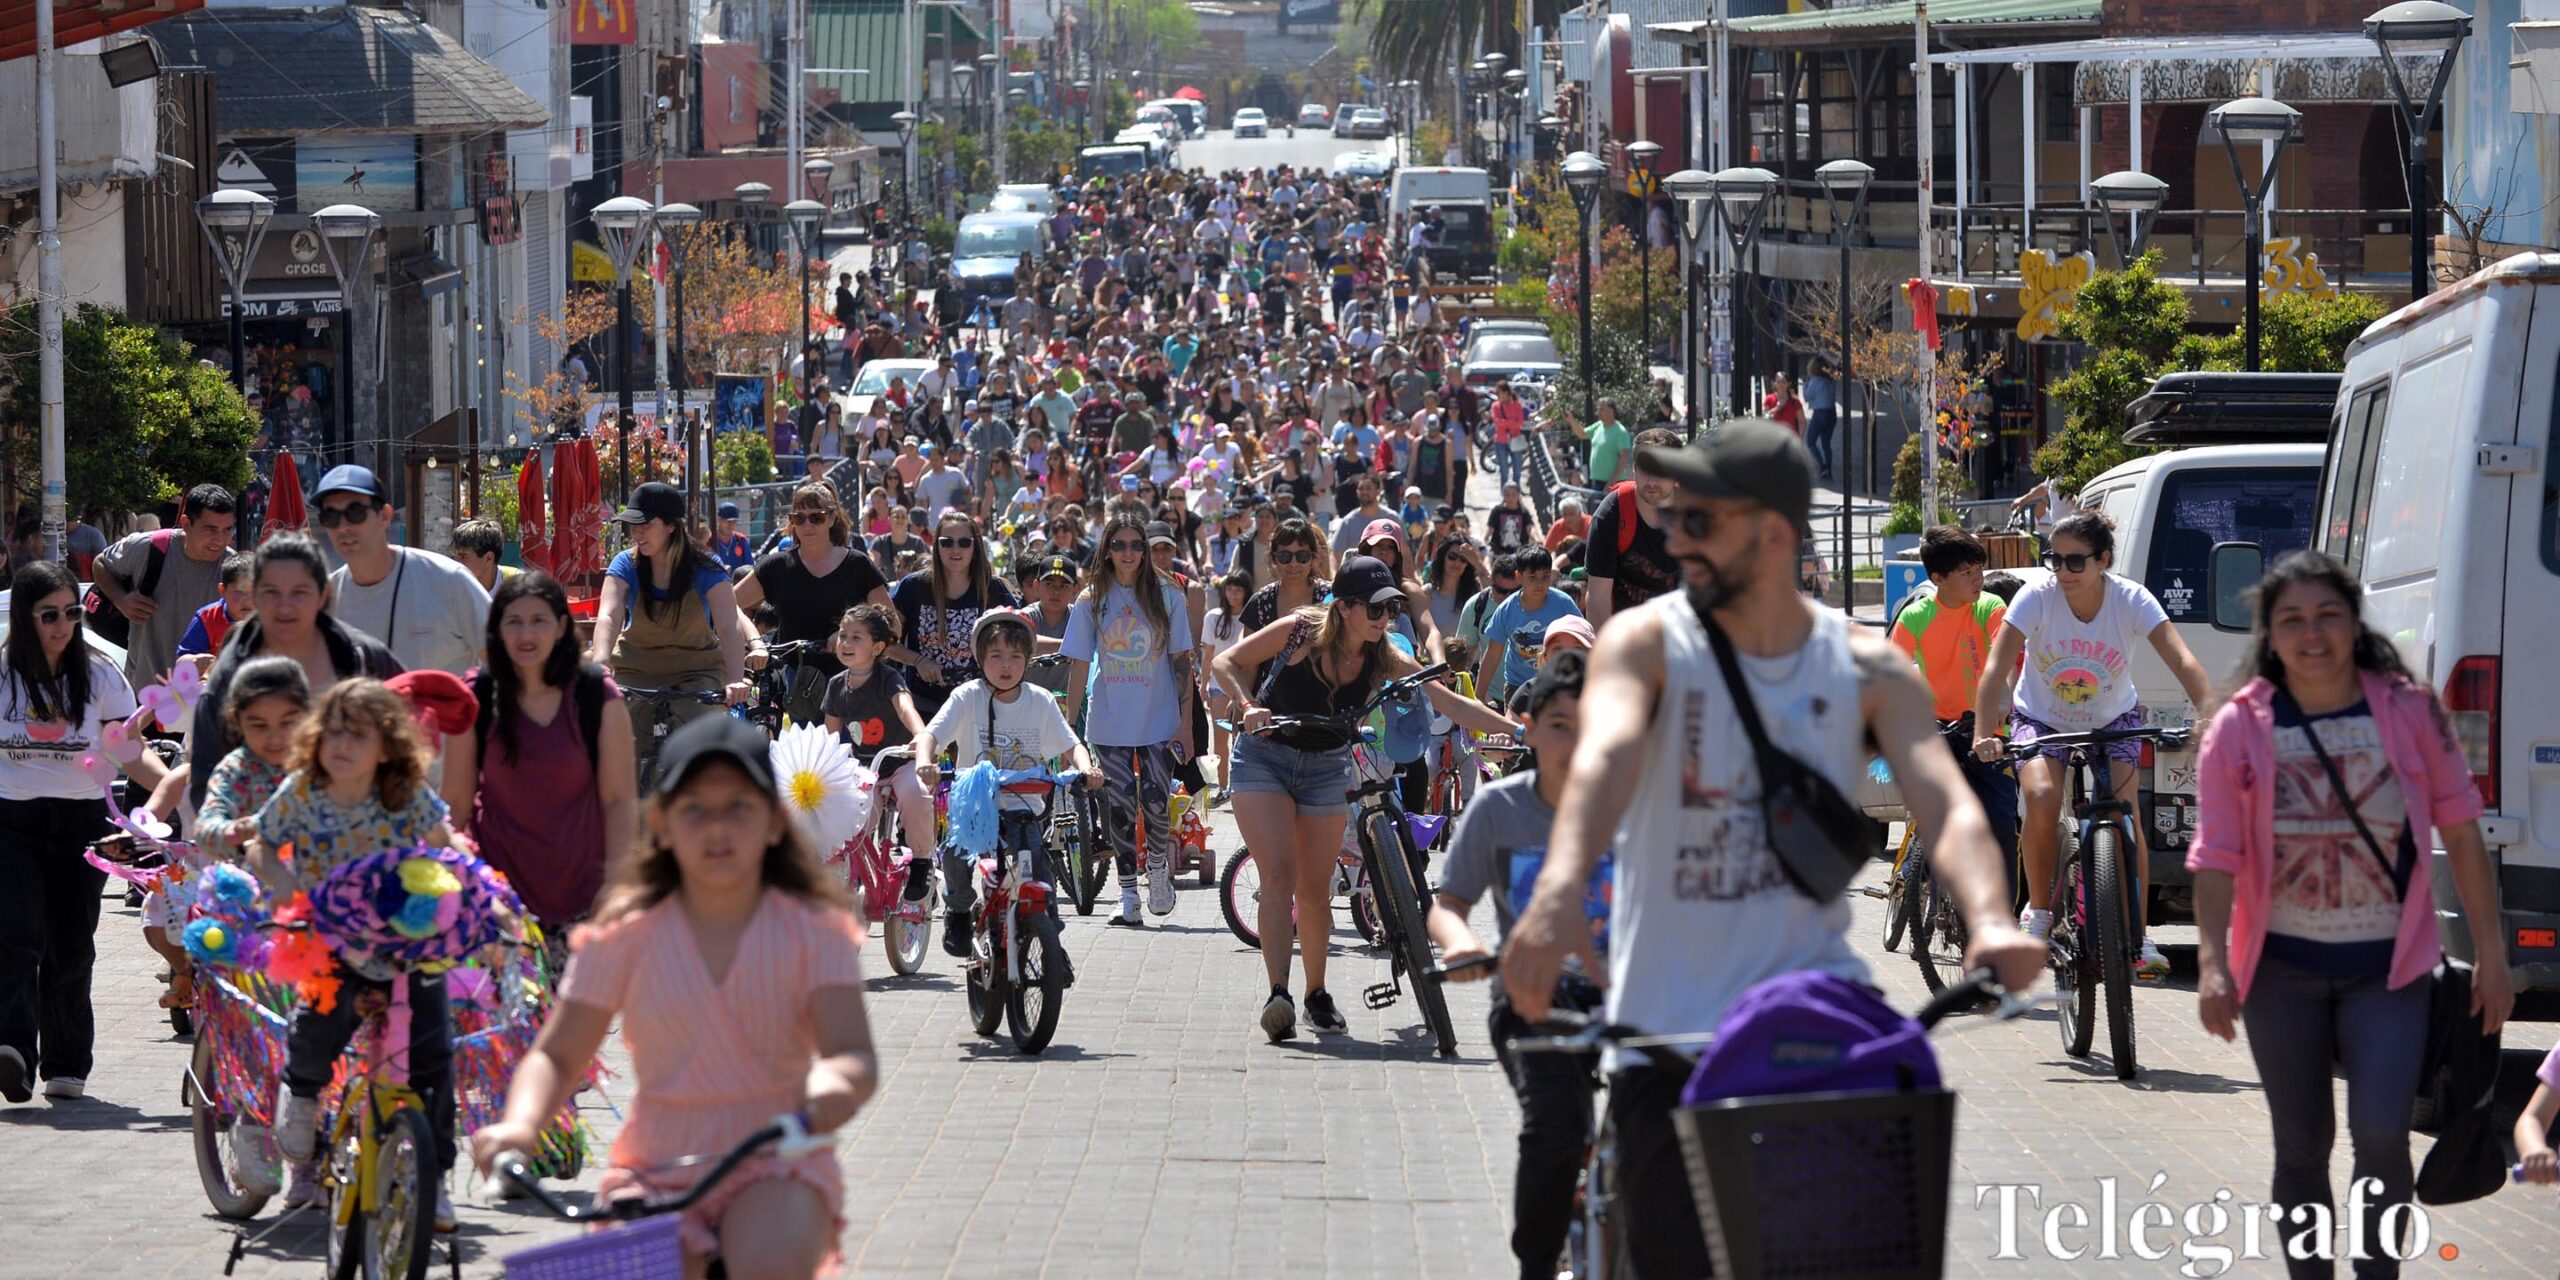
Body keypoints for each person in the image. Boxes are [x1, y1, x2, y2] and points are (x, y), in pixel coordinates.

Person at [1500, 422, 2041, 1279]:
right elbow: (1602, 769)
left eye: (1700, 519)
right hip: (1663, 1032)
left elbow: (1946, 801)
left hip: (1811, 1033)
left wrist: (1991, 916)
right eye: (1675, 516)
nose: (1675, 536)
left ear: (1774, 534)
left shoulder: (1864, 666)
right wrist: (1559, 894)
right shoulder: (1646, 645)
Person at [2189, 551, 2512, 1278]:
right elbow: (2215, 856)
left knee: (2382, 1136)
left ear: (2354, 623)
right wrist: (2211, 965)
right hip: (2279, 974)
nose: (2312, 634)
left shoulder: (2409, 710)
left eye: (2328, 615)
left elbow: (2462, 832)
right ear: (2270, 634)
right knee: (2302, 1147)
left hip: (2388, 974)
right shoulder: (2239, 726)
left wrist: (2491, 956)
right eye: (2292, 620)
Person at [470, 714, 880, 1279]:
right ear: (660, 824)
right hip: (653, 1167)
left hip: (775, 1158)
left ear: (775, 822)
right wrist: (520, 1125)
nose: (717, 828)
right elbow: (558, 1055)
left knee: (770, 1261)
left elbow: (852, 1053)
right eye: (695, 810)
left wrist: (832, 1087)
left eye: (739, 807)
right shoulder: (625, 934)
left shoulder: (813, 930)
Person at [1212, 556, 1514, 1042]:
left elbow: (1448, 700)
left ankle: (1316, 995)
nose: (1384, 619)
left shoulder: (1384, 655)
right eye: (1374, 609)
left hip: (1327, 765)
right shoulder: (1299, 630)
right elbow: (1225, 662)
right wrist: (1247, 705)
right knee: (1280, 874)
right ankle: (1278, 995)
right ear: (1344, 607)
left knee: (1315, 890)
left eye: (1390, 609)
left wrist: (1517, 731)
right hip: (1265, 757)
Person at [1971, 510, 2214, 982]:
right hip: (2040, 718)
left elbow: (2183, 659)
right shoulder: (2036, 597)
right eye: (2054, 559)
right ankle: (2039, 912)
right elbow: (1996, 667)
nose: (2062, 571)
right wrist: (1984, 733)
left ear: (2103, 560)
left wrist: (2208, 714)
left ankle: (2139, 938)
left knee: (2127, 816)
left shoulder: (2131, 599)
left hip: (2113, 719)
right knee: (2042, 797)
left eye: (2075, 561)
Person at [1428, 651, 1610, 1280]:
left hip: (1628, 998)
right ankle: (1536, 1265)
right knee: (1557, 1126)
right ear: (1527, 729)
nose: (1575, 744)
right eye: (1560, 725)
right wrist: (1461, 946)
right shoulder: (1500, 808)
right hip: (1534, 1002)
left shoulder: (1635, 807)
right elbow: (1449, 904)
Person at [253, 678, 460, 1228]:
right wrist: (282, 884)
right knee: (320, 1025)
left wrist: (479, 893)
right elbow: (263, 843)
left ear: (388, 747)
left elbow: (448, 845)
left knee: (435, 1055)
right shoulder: (303, 790)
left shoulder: (406, 794)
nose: (343, 745)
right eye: (334, 732)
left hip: (405, 942)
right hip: (332, 937)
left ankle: (435, 1179)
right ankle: (301, 1096)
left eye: (360, 735)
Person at [0, 561, 170, 1105]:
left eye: (71, 613)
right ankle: (13, 1050)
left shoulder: (99, 673)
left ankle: (67, 1063)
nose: (62, 625)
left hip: (80, 821)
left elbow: (127, 749)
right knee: (16, 938)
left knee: (71, 944)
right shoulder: (2, 672)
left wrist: (177, 788)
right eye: (49, 615)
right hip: (12, 819)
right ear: (24, 617)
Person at [445, 572, 637, 952]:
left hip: (584, 902)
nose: (526, 634)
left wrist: (615, 885)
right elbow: (454, 806)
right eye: (514, 622)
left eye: (538, 620)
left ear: (562, 627)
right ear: (496, 629)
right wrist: (464, 885)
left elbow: (619, 801)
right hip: (498, 908)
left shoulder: (595, 695)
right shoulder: (476, 695)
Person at [912, 610, 1104, 951]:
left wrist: (1087, 768)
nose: (1006, 665)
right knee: (955, 854)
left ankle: (1051, 940)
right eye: (996, 655)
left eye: (1015, 656)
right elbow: (931, 735)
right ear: (980, 658)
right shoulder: (967, 696)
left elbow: (1071, 744)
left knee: (1038, 867)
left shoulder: (1040, 700)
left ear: (1028, 659)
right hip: (975, 805)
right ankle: (958, 911)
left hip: (1023, 805)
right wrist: (925, 762)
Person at [186, 534, 405, 811]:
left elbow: (407, 746)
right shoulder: (227, 679)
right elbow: (207, 787)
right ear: (254, 594)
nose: (285, 607)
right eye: (272, 592)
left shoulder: (366, 659)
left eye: (299, 592)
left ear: (323, 595)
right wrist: (242, 834)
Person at [1061, 513, 1197, 927]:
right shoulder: (1091, 599)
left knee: (1155, 803)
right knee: (1119, 809)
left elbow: (1182, 661)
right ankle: (1127, 894)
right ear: (1107, 549)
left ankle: (1156, 865)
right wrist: (1068, 731)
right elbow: (1078, 666)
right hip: (1109, 721)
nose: (1128, 553)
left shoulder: (1167, 594)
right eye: (1119, 545)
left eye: (1136, 545)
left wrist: (1186, 724)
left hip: (1159, 718)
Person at [1889, 525, 2020, 898]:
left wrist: (2003, 701)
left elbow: (2004, 657)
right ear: (1938, 578)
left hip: (1987, 730)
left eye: (1979, 570)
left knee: (2002, 821)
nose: (1978, 579)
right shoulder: (1916, 616)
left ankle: (2003, 912)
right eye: (1966, 573)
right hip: (1937, 727)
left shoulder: (1990, 607)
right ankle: (1921, 881)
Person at [589, 483, 755, 757]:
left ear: (671, 526)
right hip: (636, 669)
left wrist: (736, 679)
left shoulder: (706, 566)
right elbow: (609, 614)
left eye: (645, 524)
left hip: (696, 672)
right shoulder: (625, 564)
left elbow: (728, 626)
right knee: (616, 742)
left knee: (698, 745)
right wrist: (601, 661)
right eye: (633, 525)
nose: (637, 533)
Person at [733, 483, 893, 725]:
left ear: (832, 518)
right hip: (798, 686)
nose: (807, 525)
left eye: (816, 517)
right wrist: (756, 643)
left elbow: (891, 623)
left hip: (853, 682)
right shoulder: (777, 566)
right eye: (799, 518)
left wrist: (846, 635)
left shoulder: (858, 565)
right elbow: (728, 606)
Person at [312, 466, 490, 677]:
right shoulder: (326, 600)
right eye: (330, 516)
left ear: (385, 516)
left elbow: (506, 661)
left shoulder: (448, 579)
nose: (343, 526)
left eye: (355, 512)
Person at [820, 604, 934, 882]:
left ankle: (922, 861)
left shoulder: (888, 678)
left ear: (877, 647)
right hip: (864, 768)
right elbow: (830, 736)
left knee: (917, 794)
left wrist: (920, 736)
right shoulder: (836, 685)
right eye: (843, 636)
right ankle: (854, 863)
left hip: (900, 763)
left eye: (856, 637)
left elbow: (905, 708)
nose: (846, 643)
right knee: (853, 814)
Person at [90, 482, 238, 685]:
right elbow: (101, 563)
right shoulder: (150, 548)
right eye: (210, 529)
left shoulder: (233, 569)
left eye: (227, 530)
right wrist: (121, 599)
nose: (220, 540)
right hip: (145, 692)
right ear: (186, 523)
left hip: (205, 696)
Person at [887, 511, 1020, 724]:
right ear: (936, 546)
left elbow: (1021, 637)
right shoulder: (914, 586)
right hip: (923, 705)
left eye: (964, 542)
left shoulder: (993, 589)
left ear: (976, 546)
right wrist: (918, 661)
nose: (955, 549)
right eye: (946, 542)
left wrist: (1065, 646)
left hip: (977, 704)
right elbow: (885, 642)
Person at [1582, 428, 1683, 631]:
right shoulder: (1612, 513)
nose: (1652, 482)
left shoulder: (1696, 512)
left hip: (1682, 635)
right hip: (1627, 635)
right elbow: (1598, 597)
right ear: (1634, 468)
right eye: (1645, 470)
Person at [1475, 547, 1582, 706]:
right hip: (1517, 686)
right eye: (1532, 577)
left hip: (1556, 683)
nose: (1539, 583)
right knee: (1514, 723)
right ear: (1519, 577)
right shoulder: (1506, 610)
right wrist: (1479, 696)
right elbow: (1492, 654)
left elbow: (1583, 641)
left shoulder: (1564, 604)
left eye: (1545, 576)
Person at [176, 552, 255, 673]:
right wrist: (196, 660)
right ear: (222, 590)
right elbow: (181, 662)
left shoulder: (271, 617)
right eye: (239, 592)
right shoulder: (207, 618)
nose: (248, 600)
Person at [448, 519, 519, 596]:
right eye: (454, 556)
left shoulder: (519, 587)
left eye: (463, 556)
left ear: (488, 558)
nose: (456, 563)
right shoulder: (450, 588)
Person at [1802, 364, 1839, 481]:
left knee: (1810, 441)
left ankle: (1822, 465)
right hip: (1832, 412)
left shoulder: (1815, 380)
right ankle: (1828, 468)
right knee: (1826, 443)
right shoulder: (1830, 380)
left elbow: (1807, 396)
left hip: (1820, 413)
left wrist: (1805, 384)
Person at [712, 502, 755, 572]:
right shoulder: (709, 541)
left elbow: (750, 567)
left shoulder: (741, 540)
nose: (731, 525)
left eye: (734, 521)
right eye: (728, 521)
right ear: (718, 519)